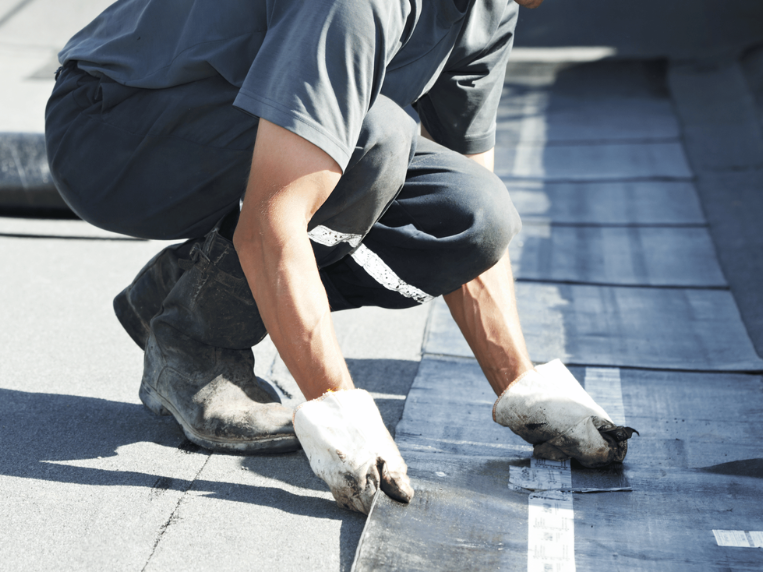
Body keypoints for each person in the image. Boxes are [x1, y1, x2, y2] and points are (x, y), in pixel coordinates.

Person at [45, 0, 635, 515]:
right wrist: (340, 412)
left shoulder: (488, 7)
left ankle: (188, 285)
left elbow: (471, 204)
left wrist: (525, 391)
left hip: (230, 127)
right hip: (114, 126)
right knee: (374, 138)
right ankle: (194, 346)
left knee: (474, 215)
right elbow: (273, 220)